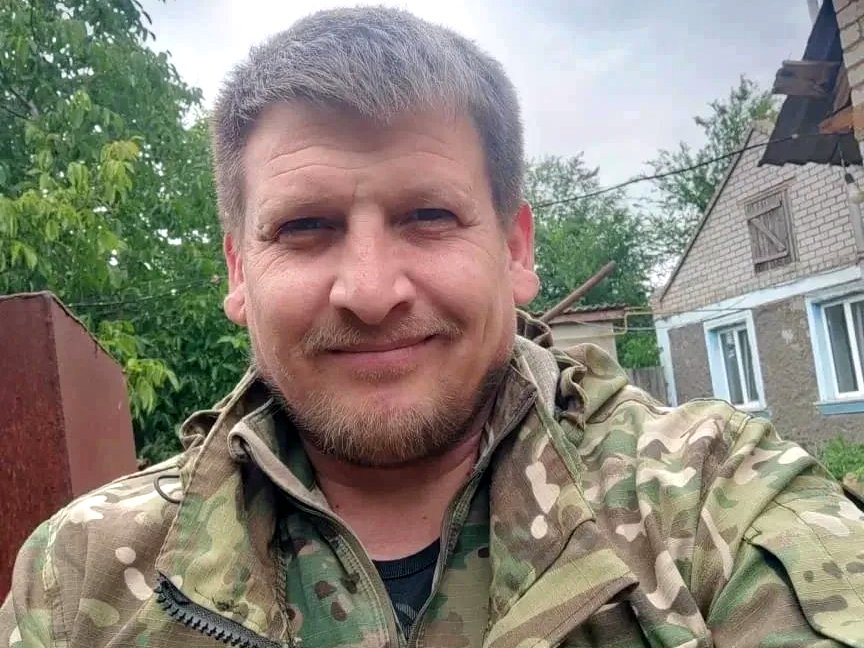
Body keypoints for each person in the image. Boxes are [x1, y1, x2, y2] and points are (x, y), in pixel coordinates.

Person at [3, 6, 864, 647]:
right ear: (238, 271)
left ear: (515, 248)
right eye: (305, 227)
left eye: (427, 215)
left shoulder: (714, 502)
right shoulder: (83, 577)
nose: (370, 292)